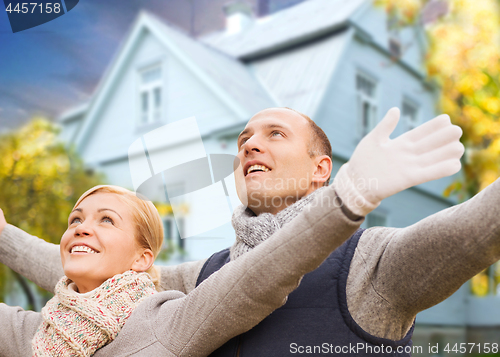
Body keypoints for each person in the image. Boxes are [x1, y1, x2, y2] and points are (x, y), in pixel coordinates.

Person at [2, 106, 495, 356]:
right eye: (244, 140)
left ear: (321, 168)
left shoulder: (374, 262)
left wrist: (357, 191)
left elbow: (476, 229)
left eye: (275, 135)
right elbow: (98, 267)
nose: (250, 146)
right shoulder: (206, 276)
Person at [0, 183, 363, 356]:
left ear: (142, 259)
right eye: (75, 219)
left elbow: (255, 277)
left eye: (106, 220)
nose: (80, 227)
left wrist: (345, 203)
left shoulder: (164, 322)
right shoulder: (35, 332)